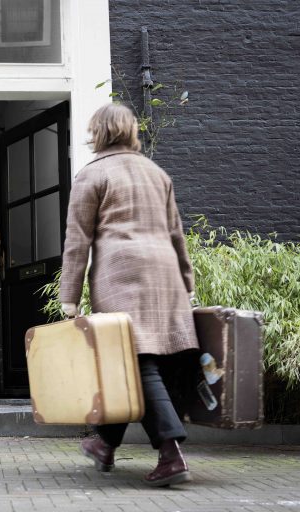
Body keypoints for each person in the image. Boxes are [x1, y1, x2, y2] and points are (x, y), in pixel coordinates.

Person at [59, 103, 198, 487]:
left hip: (122, 278)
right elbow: (177, 235)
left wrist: (68, 296)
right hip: (165, 277)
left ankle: (170, 453)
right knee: (137, 359)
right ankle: (105, 444)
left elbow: (77, 241)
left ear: (98, 133)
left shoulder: (92, 175)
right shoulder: (156, 173)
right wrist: (188, 286)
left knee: (136, 362)